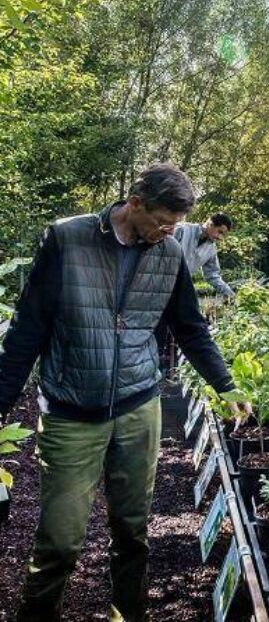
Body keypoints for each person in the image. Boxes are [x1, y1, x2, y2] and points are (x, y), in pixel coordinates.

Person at [0, 163, 251, 621]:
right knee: (59, 541)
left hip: (139, 407)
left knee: (133, 532)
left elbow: (190, 328)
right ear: (135, 203)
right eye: (160, 222)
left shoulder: (170, 252)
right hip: (71, 412)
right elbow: (26, 330)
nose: (167, 232)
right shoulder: (67, 239)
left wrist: (225, 383)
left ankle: (127, 615)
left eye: (175, 226)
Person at [173, 213, 235, 298]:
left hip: (178, 288)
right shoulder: (182, 230)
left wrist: (230, 294)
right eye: (220, 232)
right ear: (210, 224)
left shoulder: (211, 250)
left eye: (223, 235)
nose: (220, 237)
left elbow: (212, 275)